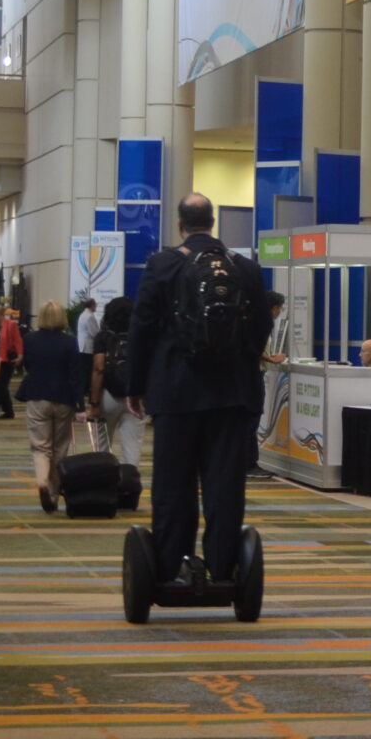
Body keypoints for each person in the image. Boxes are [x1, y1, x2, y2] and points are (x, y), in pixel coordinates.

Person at [128, 194, 270, 592]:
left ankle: (171, 566)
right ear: (212, 222)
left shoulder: (163, 265)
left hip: (175, 396)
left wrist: (136, 387)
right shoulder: (245, 269)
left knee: (174, 484)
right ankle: (224, 568)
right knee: (225, 484)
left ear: (180, 225)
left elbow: (142, 330)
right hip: (232, 396)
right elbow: (260, 329)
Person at [20, 298, 87, 514]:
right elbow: (75, 376)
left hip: (37, 395)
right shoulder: (70, 342)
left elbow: (28, 365)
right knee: (60, 448)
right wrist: (80, 405)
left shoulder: (29, 339)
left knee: (40, 446)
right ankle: (53, 492)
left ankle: (42, 482)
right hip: (64, 398)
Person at [87, 295, 141, 467]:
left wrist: (94, 403)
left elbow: (99, 369)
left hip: (108, 395)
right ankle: (129, 485)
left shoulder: (103, 337)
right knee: (132, 447)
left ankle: (103, 484)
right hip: (136, 394)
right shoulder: (140, 336)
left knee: (102, 445)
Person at [0, 303, 23, 419]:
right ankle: (8, 411)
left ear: (2, 314)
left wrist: (20, 355)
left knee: (0, 385)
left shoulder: (11, 325)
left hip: (6, 360)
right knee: (2, 386)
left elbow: (17, 341)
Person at [263, 290, 291, 364]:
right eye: (280, 308)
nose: (280, 311)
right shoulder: (261, 324)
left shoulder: (263, 322)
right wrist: (271, 359)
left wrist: (270, 356)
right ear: (275, 308)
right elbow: (252, 349)